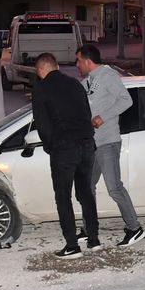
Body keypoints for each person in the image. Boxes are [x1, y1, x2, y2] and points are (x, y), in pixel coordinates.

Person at [75, 44, 145, 247]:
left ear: (88, 61)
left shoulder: (108, 75)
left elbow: (126, 101)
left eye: (78, 60)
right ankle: (89, 229)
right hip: (92, 143)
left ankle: (135, 228)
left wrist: (102, 117)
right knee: (87, 187)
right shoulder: (87, 82)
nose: (77, 65)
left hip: (107, 141)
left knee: (114, 188)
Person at [31, 52, 99, 259]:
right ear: (56, 66)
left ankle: (72, 245)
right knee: (85, 192)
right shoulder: (75, 84)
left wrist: (52, 146)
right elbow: (86, 113)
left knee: (63, 196)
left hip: (64, 147)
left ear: (41, 70)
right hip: (87, 143)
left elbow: (43, 124)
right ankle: (94, 239)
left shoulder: (41, 89)